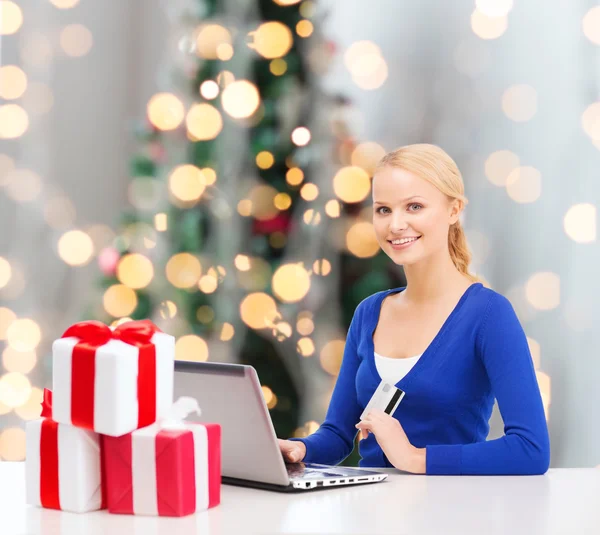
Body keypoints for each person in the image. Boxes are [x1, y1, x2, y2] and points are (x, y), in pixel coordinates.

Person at [278, 143, 550, 475]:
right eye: (383, 210)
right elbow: (337, 435)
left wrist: (413, 458)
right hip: (373, 514)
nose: (395, 225)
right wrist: (300, 448)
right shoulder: (369, 313)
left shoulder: (489, 314)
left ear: (454, 210)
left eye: (414, 206)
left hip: (450, 514)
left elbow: (530, 449)